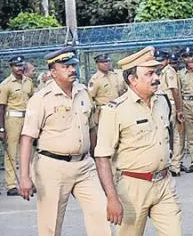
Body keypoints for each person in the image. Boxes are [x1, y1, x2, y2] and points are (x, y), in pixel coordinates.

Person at [17, 46, 111, 236]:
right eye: (66, 66)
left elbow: (91, 128)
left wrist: (99, 161)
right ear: (53, 72)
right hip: (52, 167)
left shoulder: (83, 92)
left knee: (101, 214)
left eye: (73, 65)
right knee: (50, 225)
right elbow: (27, 139)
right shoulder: (41, 99)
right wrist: (25, 177)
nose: (72, 70)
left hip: (85, 166)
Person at [94, 46, 182, 236]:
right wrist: (112, 198)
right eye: (149, 74)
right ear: (132, 79)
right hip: (132, 188)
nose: (156, 78)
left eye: (156, 72)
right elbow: (102, 157)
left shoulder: (162, 101)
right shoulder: (115, 110)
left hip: (164, 184)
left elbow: (169, 135)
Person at [0, 55, 34, 196]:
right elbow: (1, 107)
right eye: (16, 66)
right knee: (11, 153)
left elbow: (33, 100)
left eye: (21, 66)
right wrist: (1, 128)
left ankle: (29, 181)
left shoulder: (29, 82)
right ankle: (11, 185)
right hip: (12, 119)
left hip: (27, 118)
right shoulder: (6, 84)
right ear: (11, 67)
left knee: (28, 152)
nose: (20, 68)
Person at [156, 49, 184, 176]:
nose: (159, 62)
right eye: (157, 60)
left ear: (167, 60)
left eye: (161, 60)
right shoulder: (160, 72)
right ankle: (170, 163)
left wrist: (179, 110)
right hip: (162, 106)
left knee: (176, 136)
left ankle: (175, 165)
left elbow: (175, 91)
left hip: (171, 106)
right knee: (166, 136)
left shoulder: (169, 72)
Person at [88, 54, 127, 131]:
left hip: (120, 109)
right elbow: (90, 99)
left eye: (108, 61)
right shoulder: (95, 80)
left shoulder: (116, 75)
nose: (106, 64)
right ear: (97, 64)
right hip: (104, 112)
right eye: (103, 62)